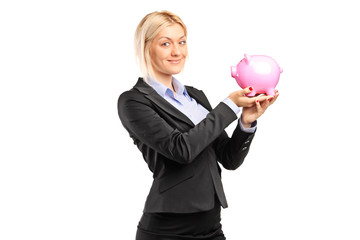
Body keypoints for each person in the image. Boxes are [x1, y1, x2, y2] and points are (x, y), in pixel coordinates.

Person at [118, 10, 279, 240]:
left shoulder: (195, 96)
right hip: (167, 231)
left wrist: (246, 121)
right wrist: (229, 105)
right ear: (146, 48)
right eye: (165, 43)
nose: (177, 51)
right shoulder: (133, 101)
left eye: (181, 42)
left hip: (211, 226)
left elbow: (229, 158)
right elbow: (181, 149)